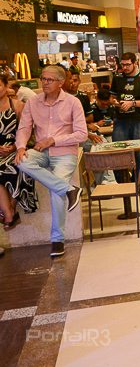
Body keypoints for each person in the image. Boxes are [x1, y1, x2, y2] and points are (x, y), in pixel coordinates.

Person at [15, 65, 87, 257]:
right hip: (41, 152)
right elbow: (24, 128)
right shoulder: (33, 102)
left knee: (56, 191)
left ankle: (57, 240)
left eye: (49, 80)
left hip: (65, 153)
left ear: (60, 82)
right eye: (43, 79)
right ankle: (69, 189)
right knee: (22, 161)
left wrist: (54, 140)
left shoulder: (73, 102)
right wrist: (21, 146)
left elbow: (82, 134)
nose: (44, 83)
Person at [0, 75, 35, 229]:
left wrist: (15, 147)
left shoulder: (18, 106)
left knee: (15, 167)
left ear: (6, 86)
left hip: (16, 148)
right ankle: (9, 213)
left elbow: (26, 131)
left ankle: (9, 211)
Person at [110, 53, 140, 175]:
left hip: (138, 120)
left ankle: (138, 180)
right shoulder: (117, 77)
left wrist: (132, 103)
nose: (125, 67)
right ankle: (122, 181)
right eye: (122, 65)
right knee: (118, 150)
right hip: (120, 120)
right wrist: (115, 102)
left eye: (128, 65)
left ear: (135, 63)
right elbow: (112, 98)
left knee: (138, 152)